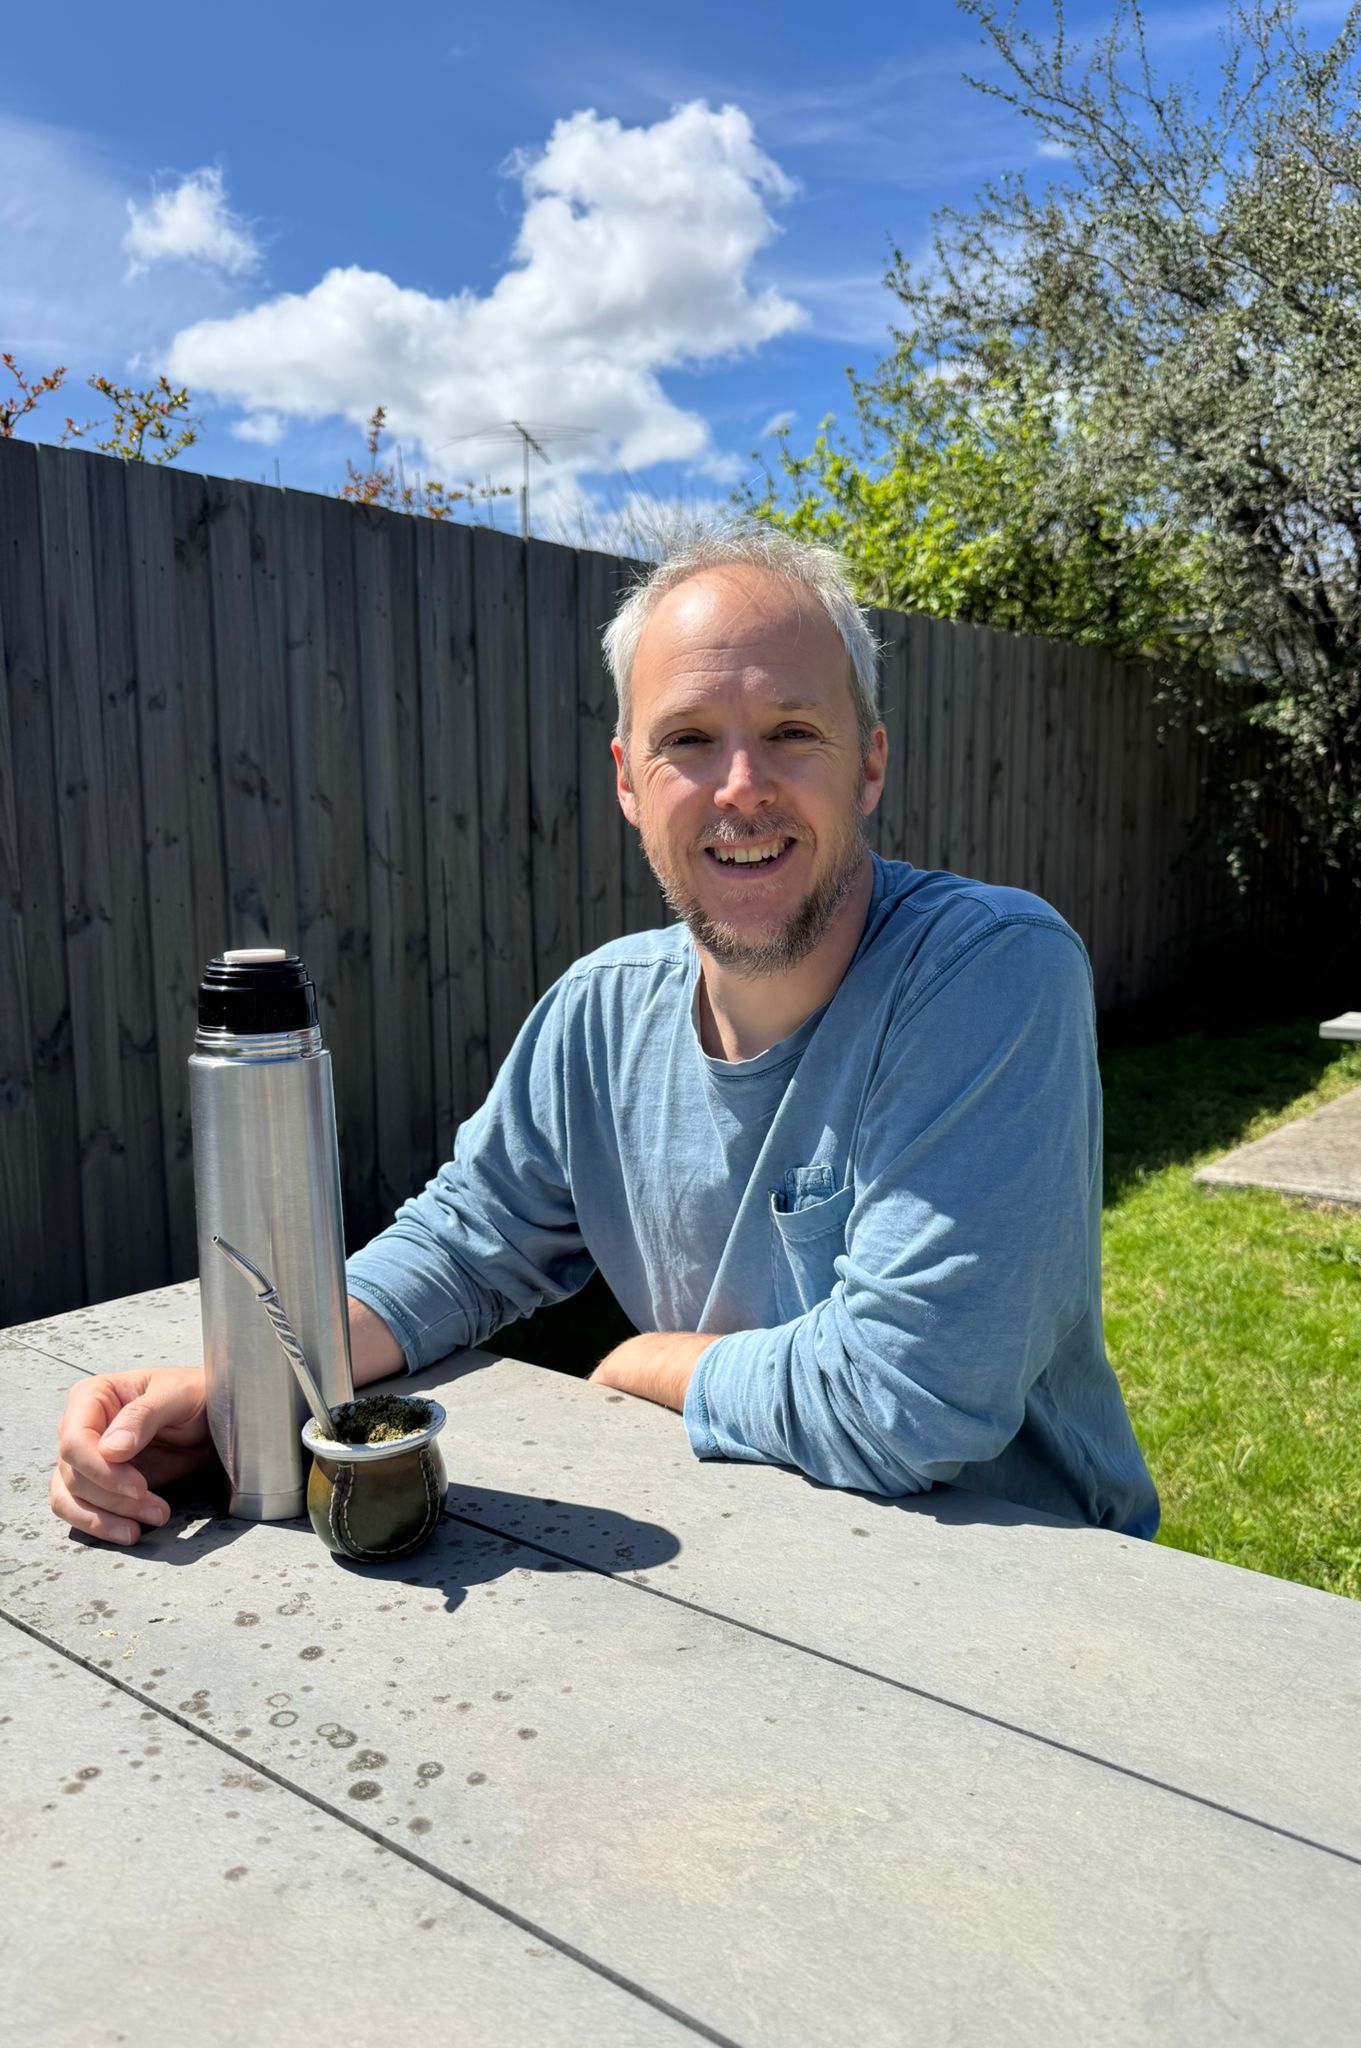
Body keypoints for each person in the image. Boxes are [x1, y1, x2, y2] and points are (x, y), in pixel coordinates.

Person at [49, 528, 1158, 1546]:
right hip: (741, 1550)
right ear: (629, 780)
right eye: (688, 741)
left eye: (791, 733)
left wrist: (651, 1363)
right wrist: (245, 1385)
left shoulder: (990, 972)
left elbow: (913, 1398)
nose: (741, 789)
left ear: (868, 763)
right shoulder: (600, 1012)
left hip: (1023, 1599)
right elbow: (464, 1242)